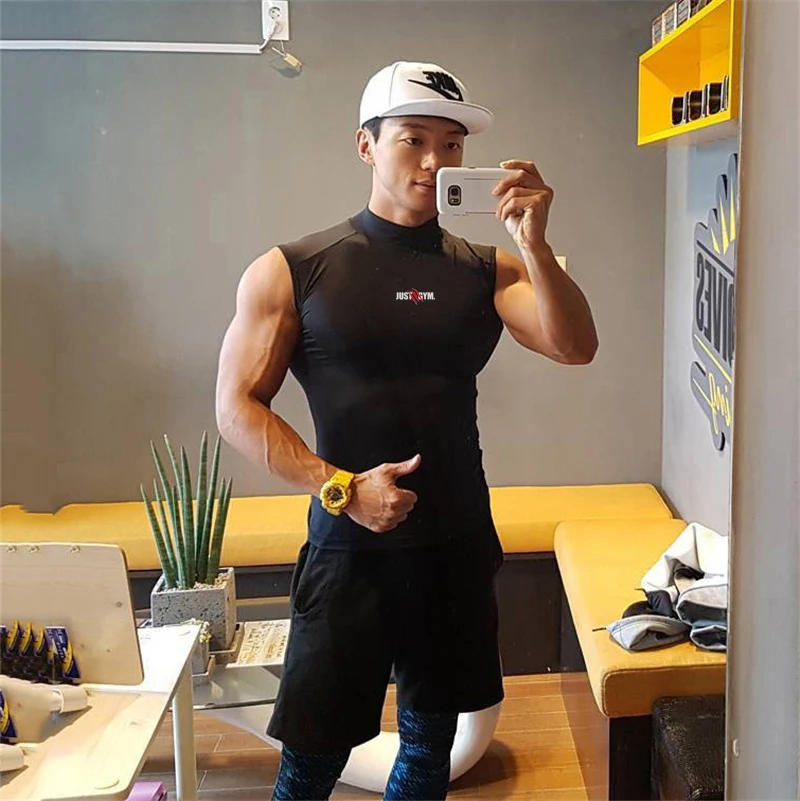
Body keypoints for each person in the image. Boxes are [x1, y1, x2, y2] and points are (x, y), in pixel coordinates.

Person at [215, 60, 598, 801]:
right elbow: (237, 406)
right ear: (366, 145)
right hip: (347, 552)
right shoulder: (292, 270)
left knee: (428, 753)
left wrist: (536, 243)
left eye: (450, 144)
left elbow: (575, 346)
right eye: (412, 139)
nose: (433, 161)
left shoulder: (489, 270)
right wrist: (341, 488)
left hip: (455, 545)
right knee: (310, 762)